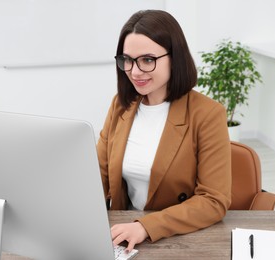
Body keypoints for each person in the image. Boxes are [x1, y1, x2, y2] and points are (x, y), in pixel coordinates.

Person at [97, 10, 231, 252]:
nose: (135, 71)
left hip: (176, 237)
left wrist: (146, 226)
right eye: (127, 59)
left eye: (147, 59)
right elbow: (98, 173)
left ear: (174, 58)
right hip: (123, 235)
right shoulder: (121, 105)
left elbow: (214, 201)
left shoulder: (208, 114)